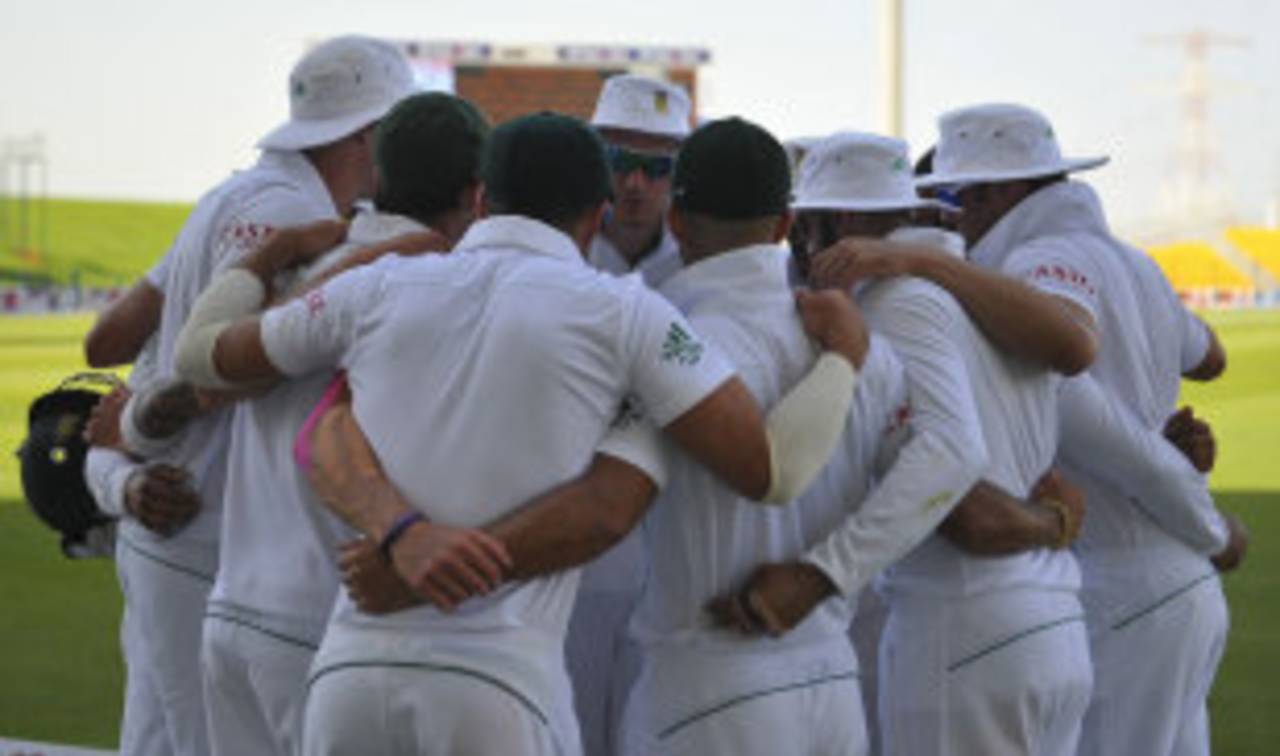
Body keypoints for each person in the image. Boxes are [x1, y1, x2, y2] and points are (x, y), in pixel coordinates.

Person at [172, 111, 868, 755]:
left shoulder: (380, 286)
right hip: (499, 684)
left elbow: (201, 355)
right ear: (597, 215)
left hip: (350, 671)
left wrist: (273, 256)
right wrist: (843, 358)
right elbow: (771, 469)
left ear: (481, 200)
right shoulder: (625, 314)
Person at [82, 35, 417, 756]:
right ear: (371, 132)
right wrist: (135, 431)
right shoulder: (296, 213)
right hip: (210, 530)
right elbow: (222, 373)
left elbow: (107, 340)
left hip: (167, 533)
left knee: (154, 738)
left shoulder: (225, 196)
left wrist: (123, 456)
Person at [618, 118, 943, 756]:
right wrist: (824, 575)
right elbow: (938, 468)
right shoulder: (856, 342)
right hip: (829, 679)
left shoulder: (669, 343)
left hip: (706, 688)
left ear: (677, 223)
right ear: (785, 225)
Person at [178, 91, 483, 756]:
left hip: (231, 611)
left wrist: (274, 253)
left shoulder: (310, 258)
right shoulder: (432, 279)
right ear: (475, 191)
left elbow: (206, 383)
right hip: (324, 617)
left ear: (378, 173)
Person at [794, 131, 1094, 755]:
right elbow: (1072, 350)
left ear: (842, 219)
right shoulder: (981, 289)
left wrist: (820, 575)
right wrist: (1051, 521)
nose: (798, 243)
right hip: (1054, 623)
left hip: (966, 627)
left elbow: (965, 502)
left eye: (805, 222)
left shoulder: (893, 304)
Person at [565, 71, 694, 755]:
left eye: (658, 167)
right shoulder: (562, 257)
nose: (636, 184)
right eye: (620, 162)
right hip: (571, 551)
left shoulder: (705, 267)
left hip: (674, 556)